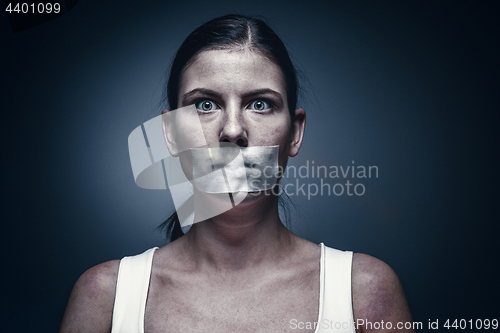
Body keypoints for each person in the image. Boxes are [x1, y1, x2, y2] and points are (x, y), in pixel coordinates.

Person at [60, 14, 415, 333]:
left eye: (260, 104)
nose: (232, 131)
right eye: (205, 104)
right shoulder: (105, 297)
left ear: (295, 132)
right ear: (169, 133)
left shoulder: (364, 292)